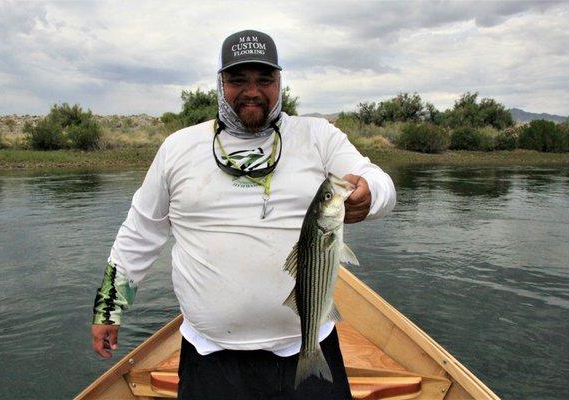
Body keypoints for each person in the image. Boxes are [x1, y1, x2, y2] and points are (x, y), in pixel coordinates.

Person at [91, 29, 396, 400]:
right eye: (238, 79)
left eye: (264, 79)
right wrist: (109, 308)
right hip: (210, 358)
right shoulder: (178, 148)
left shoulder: (318, 136)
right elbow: (140, 233)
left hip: (308, 346)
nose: (252, 91)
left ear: (280, 81)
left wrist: (370, 196)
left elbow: (380, 182)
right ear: (220, 83)